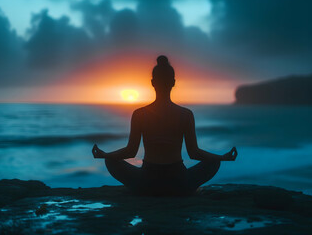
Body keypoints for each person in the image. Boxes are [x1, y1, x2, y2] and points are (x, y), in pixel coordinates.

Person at [92, 55, 238, 196]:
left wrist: (105, 155)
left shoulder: (139, 114)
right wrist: (222, 157)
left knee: (110, 161)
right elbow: (194, 153)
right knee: (214, 162)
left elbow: (131, 151)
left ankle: (139, 190)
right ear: (173, 82)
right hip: (179, 183)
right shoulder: (185, 114)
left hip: (147, 182)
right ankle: (184, 191)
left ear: (152, 82)